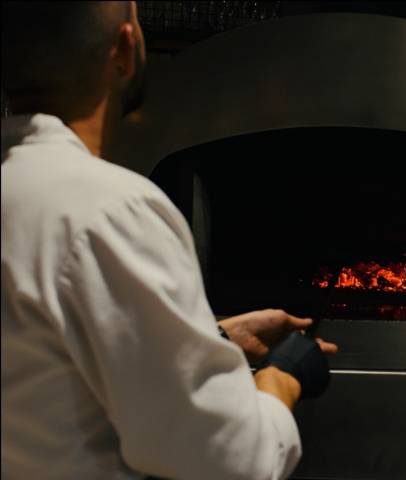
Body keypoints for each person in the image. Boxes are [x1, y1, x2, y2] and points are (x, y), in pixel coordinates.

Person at [1, 2, 337, 479]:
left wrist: (215, 338)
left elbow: (55, 355)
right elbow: (227, 461)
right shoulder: (110, 210)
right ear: (123, 48)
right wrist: (283, 377)